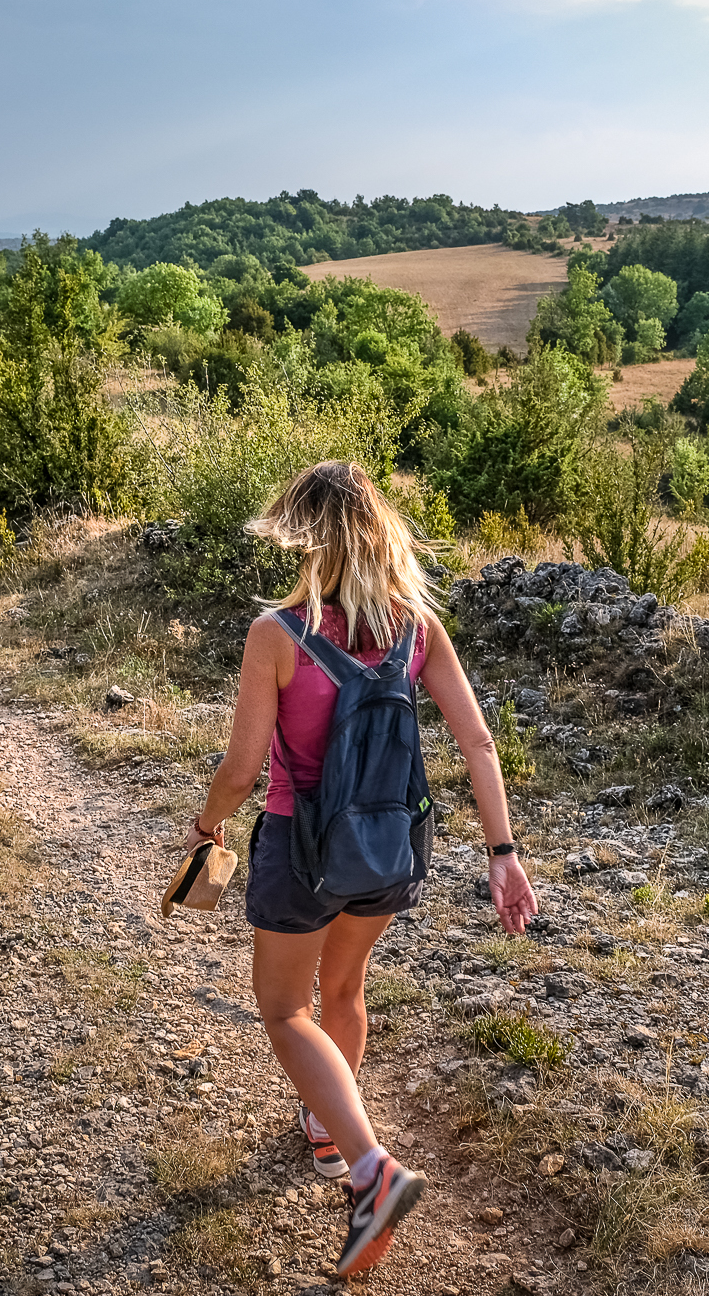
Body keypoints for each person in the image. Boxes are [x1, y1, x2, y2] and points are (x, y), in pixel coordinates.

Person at [183, 460, 538, 1279]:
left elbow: (243, 770)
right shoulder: (417, 627)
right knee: (341, 992)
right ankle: (323, 1124)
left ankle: (373, 1169)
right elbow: (479, 743)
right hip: (388, 850)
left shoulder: (276, 633)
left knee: (282, 1009)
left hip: (300, 849)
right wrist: (503, 854)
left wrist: (206, 826)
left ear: (305, 536)